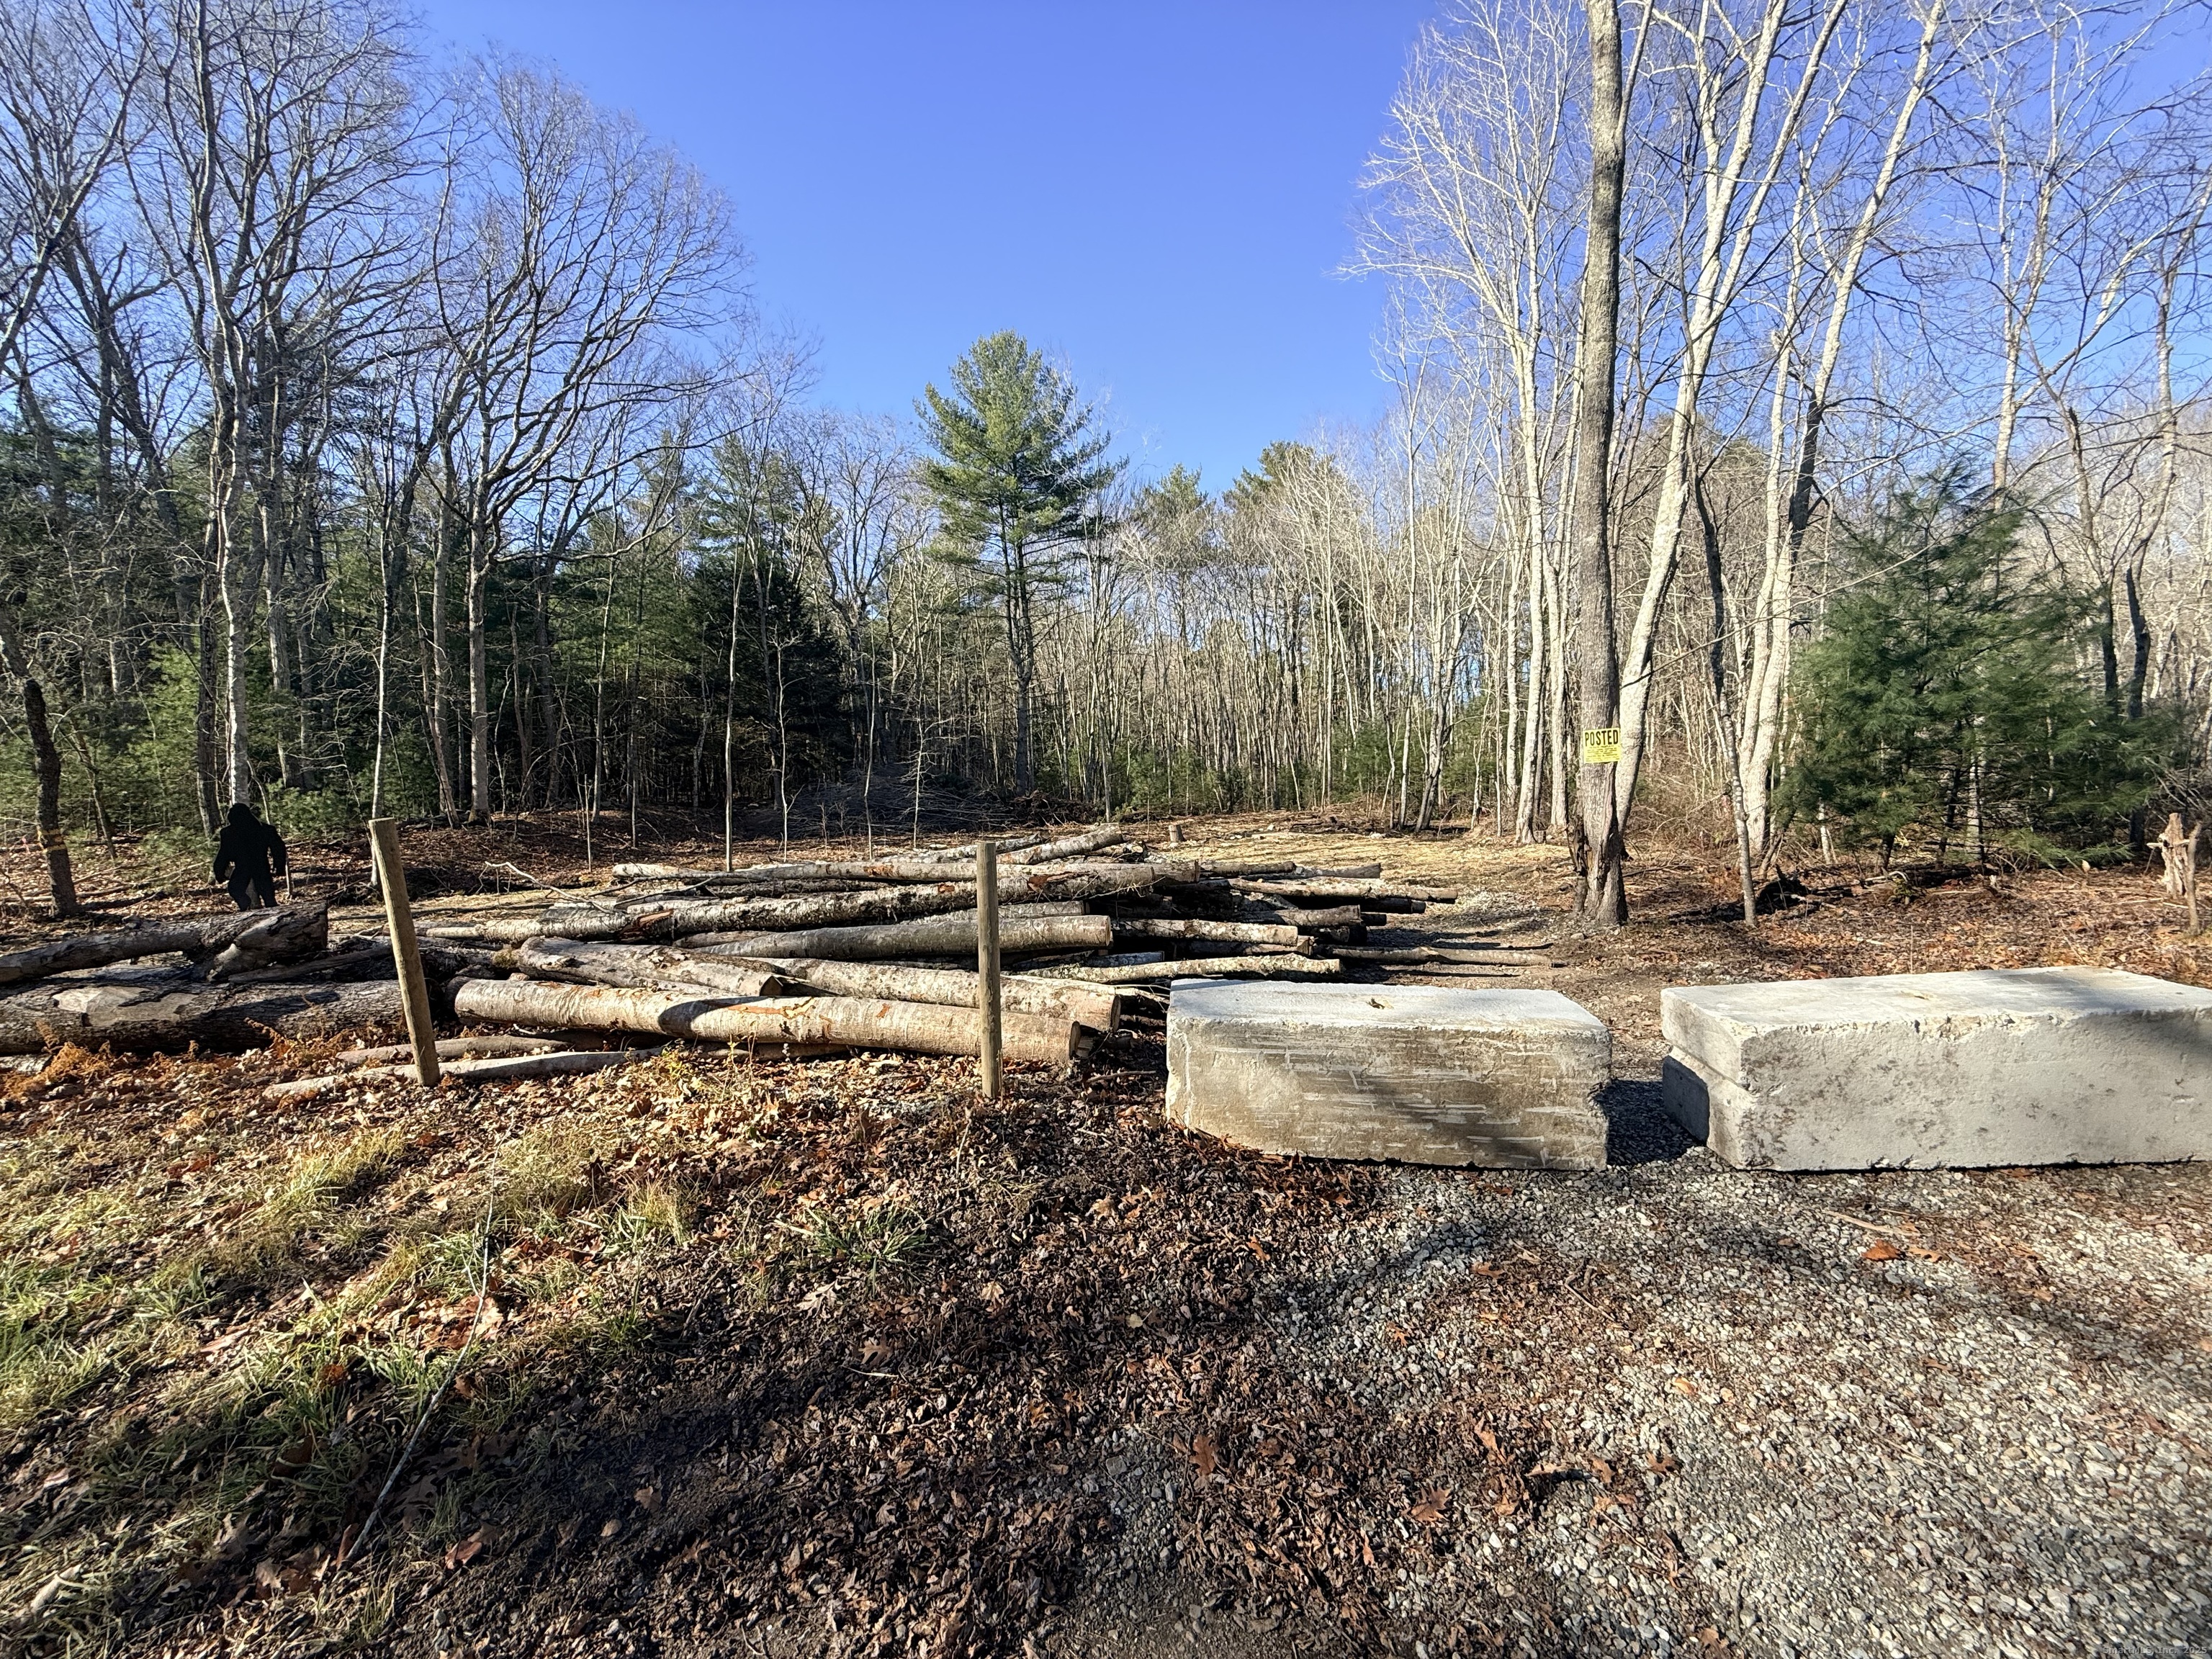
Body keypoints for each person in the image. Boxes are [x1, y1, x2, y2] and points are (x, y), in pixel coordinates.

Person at [213, 802, 287, 910]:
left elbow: (224, 854)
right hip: (260, 864)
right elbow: (279, 849)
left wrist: (219, 871)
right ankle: (268, 910)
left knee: (236, 889)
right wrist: (279, 866)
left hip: (244, 865)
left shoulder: (228, 832)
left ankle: (246, 906)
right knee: (266, 893)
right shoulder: (265, 829)